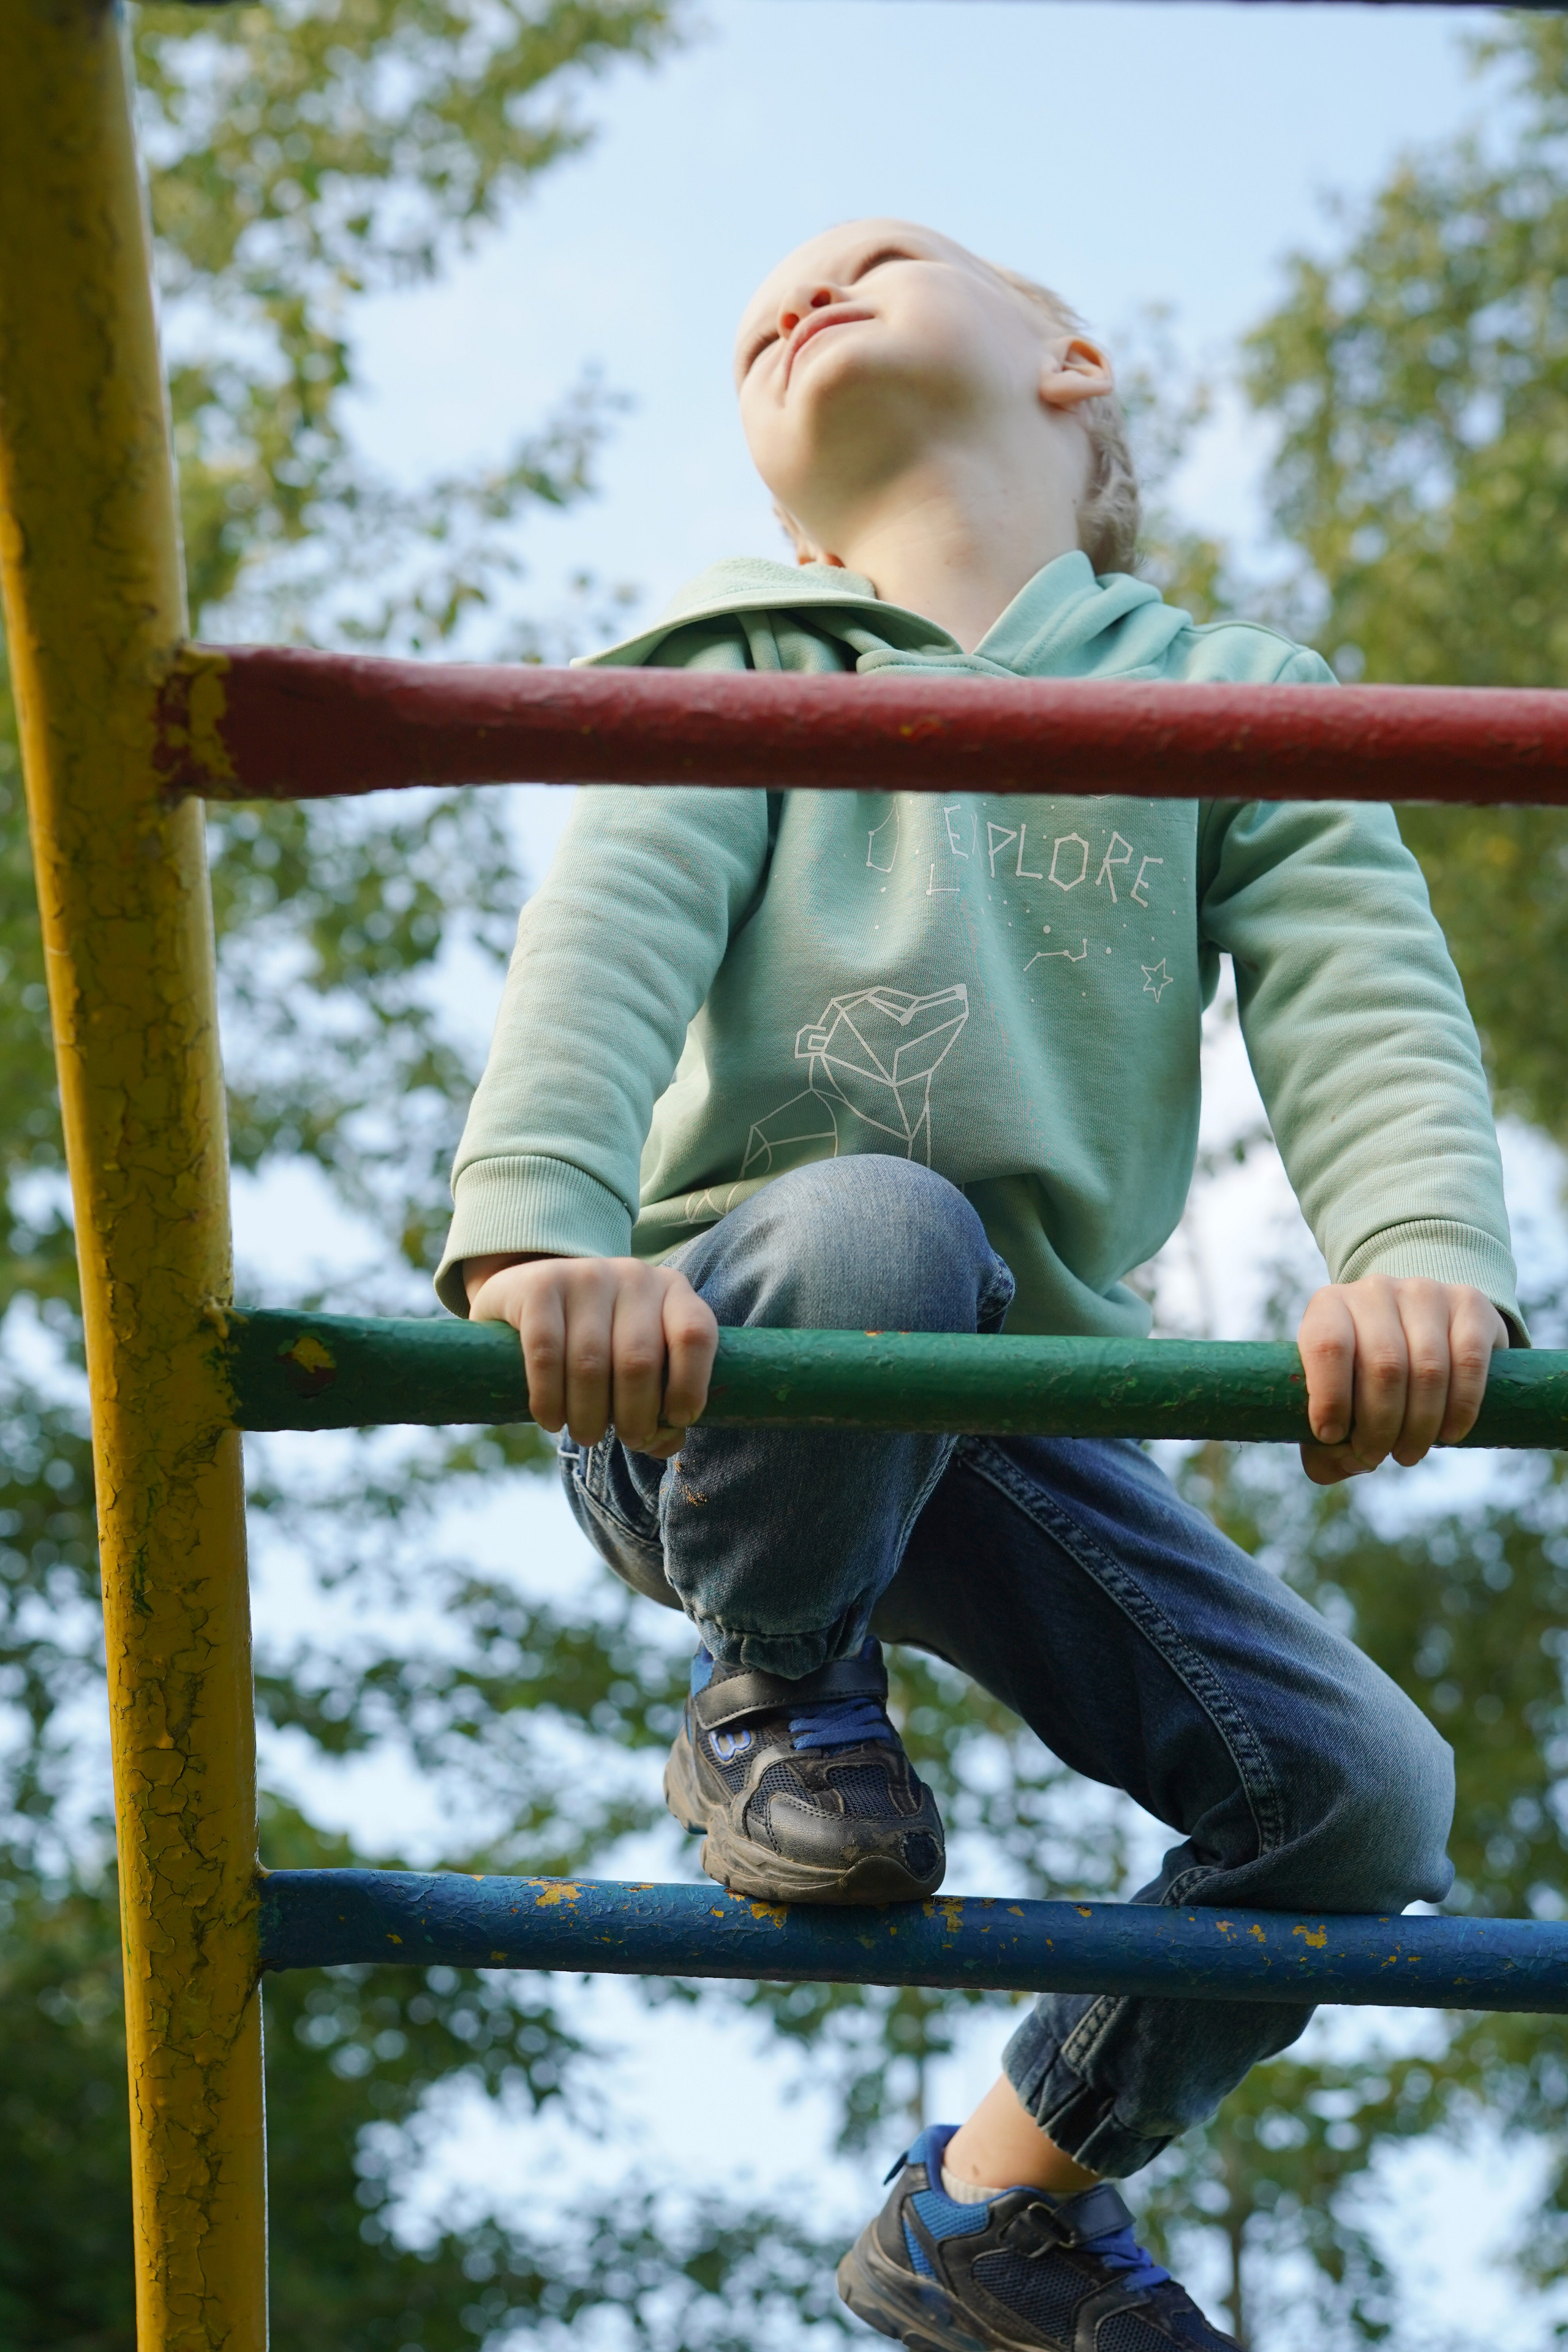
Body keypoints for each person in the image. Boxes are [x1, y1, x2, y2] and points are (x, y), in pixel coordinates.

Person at [437, 220, 1522, 2352]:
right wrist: (544, 1226)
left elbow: (1367, 1009)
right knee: (883, 1218)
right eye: (759, 300)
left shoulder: (1236, 708)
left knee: (1364, 1795)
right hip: (719, 1354)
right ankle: (775, 1696)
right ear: (774, 487)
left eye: (873, 257)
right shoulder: (752, 655)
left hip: (1006, 1403)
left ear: (1071, 359)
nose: (792, 290)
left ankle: (993, 2210)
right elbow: (609, 940)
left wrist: (1417, 1264)